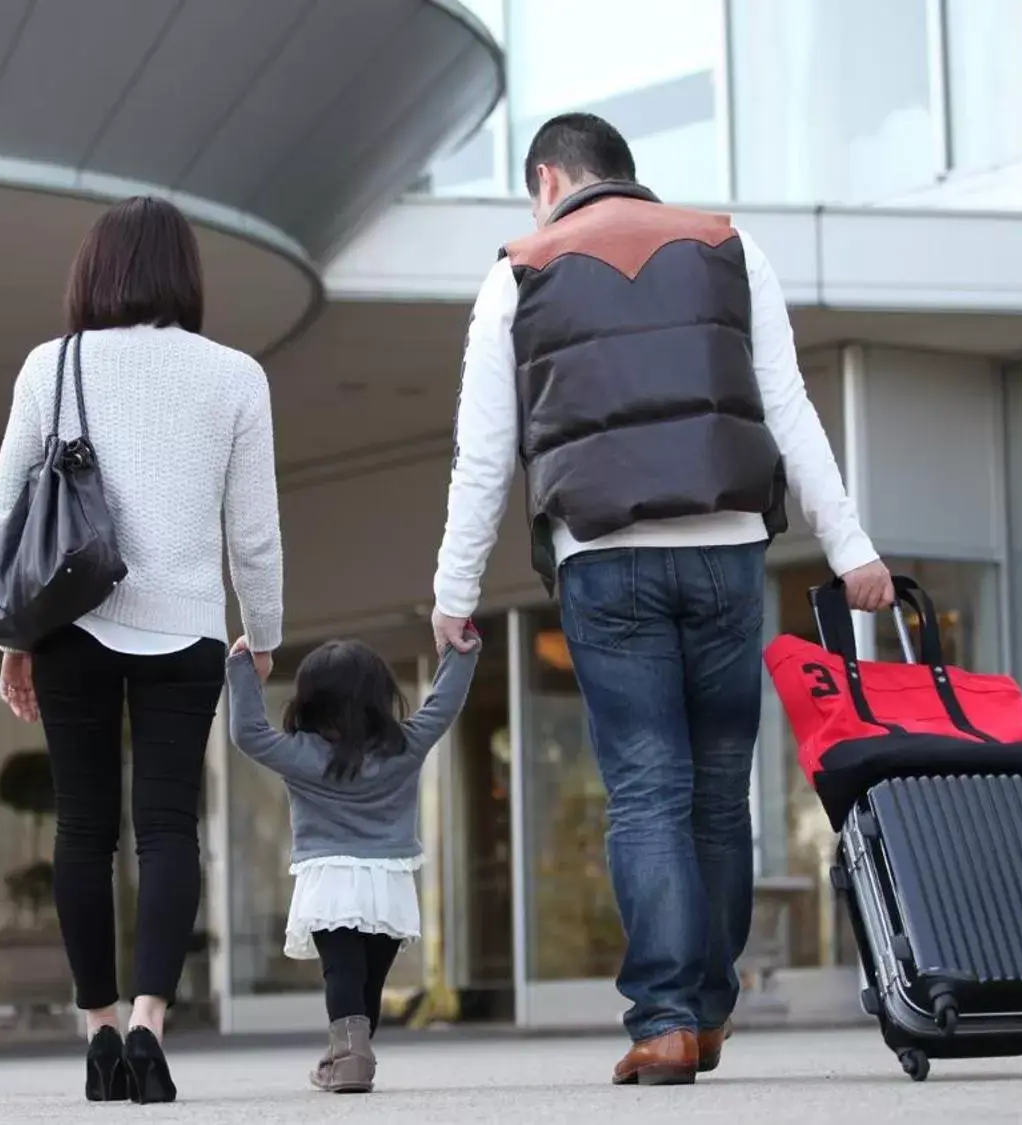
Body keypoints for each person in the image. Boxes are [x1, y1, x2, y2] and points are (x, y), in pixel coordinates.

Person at [429, 113, 894, 1086]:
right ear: (626, 177)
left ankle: (665, 1020)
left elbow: (484, 455)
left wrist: (452, 593)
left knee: (646, 790)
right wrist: (849, 548)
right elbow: (787, 407)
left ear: (548, 181)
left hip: (604, 559)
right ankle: (709, 1013)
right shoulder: (729, 245)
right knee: (720, 793)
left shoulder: (516, 269)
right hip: (727, 550)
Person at [0, 196, 283, 1104]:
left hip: (73, 622)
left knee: (81, 829)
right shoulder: (235, 375)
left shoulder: (52, 364)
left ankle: (99, 1028)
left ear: (93, 270)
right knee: (167, 828)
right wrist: (262, 635)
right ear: (184, 273)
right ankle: (151, 1022)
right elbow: (254, 534)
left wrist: (15, 637)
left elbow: (8, 514)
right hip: (187, 628)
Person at [225, 632, 479, 1094]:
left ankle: (349, 1056)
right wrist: (461, 652)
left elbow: (247, 732)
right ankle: (350, 1056)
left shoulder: (299, 754)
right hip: (389, 882)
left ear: (310, 701)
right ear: (380, 695)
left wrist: (244, 667)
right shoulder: (406, 745)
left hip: (330, 880)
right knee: (370, 981)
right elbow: (444, 704)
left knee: (342, 971)